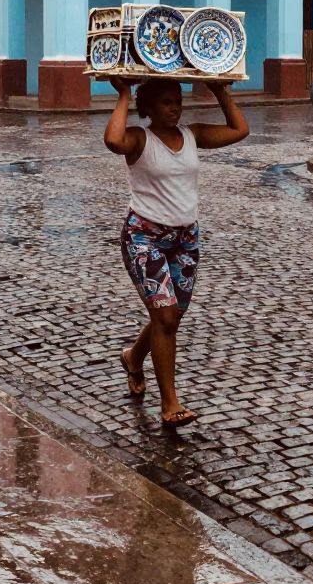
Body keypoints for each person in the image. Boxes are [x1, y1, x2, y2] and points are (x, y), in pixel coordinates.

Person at [104, 76, 249, 429]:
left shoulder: (192, 135)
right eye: (166, 102)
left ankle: (133, 357)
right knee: (166, 318)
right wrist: (124, 94)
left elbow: (239, 129)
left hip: (185, 239)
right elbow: (113, 140)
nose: (174, 108)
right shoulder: (140, 138)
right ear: (149, 107)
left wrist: (218, 89)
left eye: (178, 101)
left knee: (170, 317)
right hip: (144, 238)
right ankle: (170, 404)